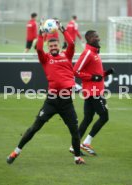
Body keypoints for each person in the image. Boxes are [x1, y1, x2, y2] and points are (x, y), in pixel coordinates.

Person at [7, 20, 85, 165]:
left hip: (67, 102)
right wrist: (41, 34)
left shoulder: (66, 56)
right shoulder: (45, 58)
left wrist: (62, 29)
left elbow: (72, 44)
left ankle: (77, 158)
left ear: (59, 46)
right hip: (52, 101)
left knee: (75, 132)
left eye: (55, 45)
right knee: (35, 127)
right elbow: (38, 49)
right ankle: (15, 152)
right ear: (48, 48)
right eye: (51, 46)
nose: (54, 47)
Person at [72, 30, 115, 155]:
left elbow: (97, 75)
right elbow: (76, 71)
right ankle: (86, 142)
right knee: (104, 116)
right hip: (94, 91)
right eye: (96, 37)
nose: (98, 38)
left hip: (93, 91)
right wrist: (92, 78)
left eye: (98, 36)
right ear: (89, 38)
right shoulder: (88, 53)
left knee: (88, 118)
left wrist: (106, 73)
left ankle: (74, 146)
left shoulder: (94, 53)